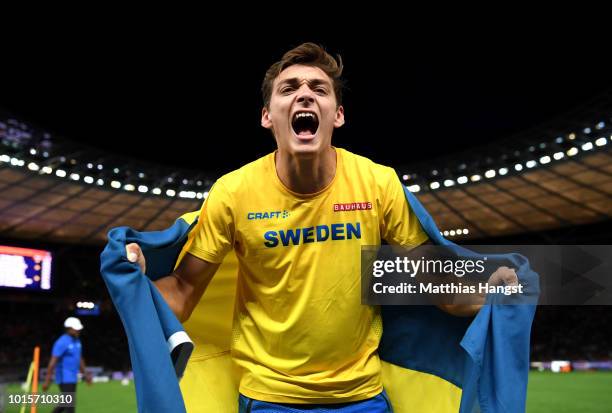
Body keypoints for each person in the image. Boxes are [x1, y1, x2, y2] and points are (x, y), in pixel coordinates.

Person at [126, 42, 518, 412]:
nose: (305, 94)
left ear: (338, 113)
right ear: (267, 116)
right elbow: (183, 289)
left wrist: (492, 288)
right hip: (269, 396)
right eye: (289, 88)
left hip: (362, 395)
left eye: (319, 88)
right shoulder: (233, 192)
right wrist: (135, 281)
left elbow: (440, 289)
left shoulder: (377, 183)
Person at [42, 316, 92, 413]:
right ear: (68, 329)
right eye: (76, 329)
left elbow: (79, 359)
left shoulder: (77, 341)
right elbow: (52, 362)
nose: (78, 330)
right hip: (64, 378)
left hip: (72, 377)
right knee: (70, 407)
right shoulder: (61, 342)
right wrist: (47, 381)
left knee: (65, 404)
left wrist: (86, 375)